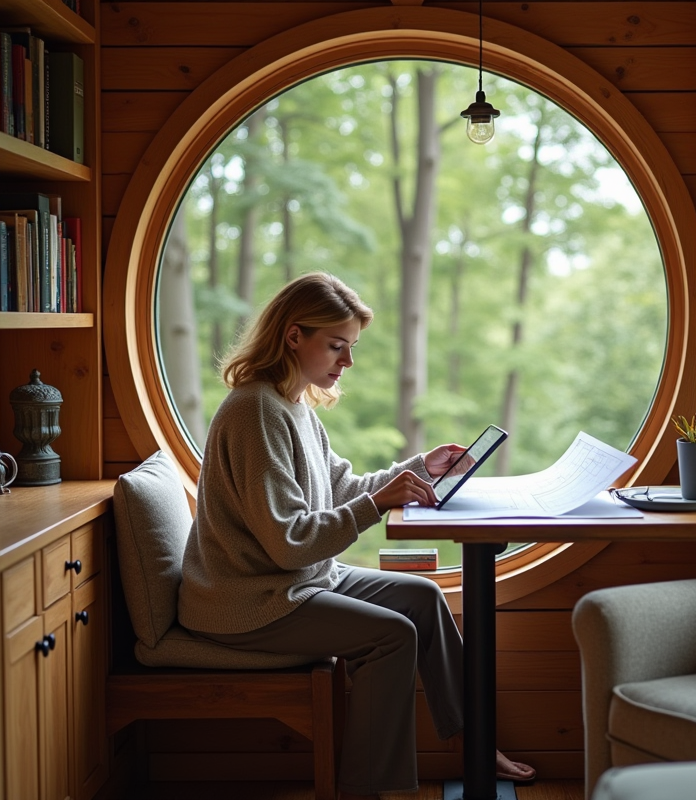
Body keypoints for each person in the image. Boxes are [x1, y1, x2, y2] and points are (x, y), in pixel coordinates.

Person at [177, 272, 535, 799]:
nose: (347, 362)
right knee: (391, 635)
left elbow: (341, 484)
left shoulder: (294, 404)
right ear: (294, 335)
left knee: (422, 595)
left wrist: (420, 467)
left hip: (294, 582)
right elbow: (288, 542)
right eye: (337, 347)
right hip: (247, 601)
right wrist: (379, 504)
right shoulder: (256, 411)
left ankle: (472, 745)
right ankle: (366, 790)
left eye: (351, 348)